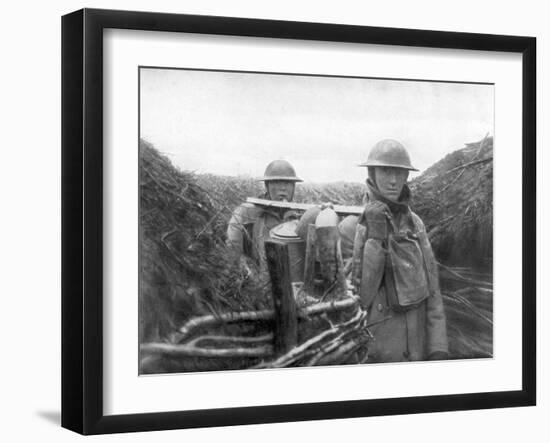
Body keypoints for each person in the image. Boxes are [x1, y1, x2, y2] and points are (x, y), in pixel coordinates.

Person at [226, 159, 303, 271]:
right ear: (267, 186)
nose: (283, 188)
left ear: (294, 187)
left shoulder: (299, 216)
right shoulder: (246, 212)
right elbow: (233, 248)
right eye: (277, 182)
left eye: (288, 183)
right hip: (258, 278)